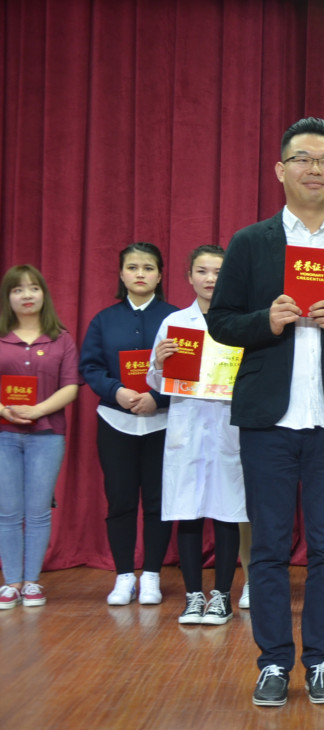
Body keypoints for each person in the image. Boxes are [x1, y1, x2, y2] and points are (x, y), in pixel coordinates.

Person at [208, 117, 324, 707]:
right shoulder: (250, 242)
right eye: (304, 158)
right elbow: (221, 320)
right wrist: (266, 320)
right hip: (269, 418)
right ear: (281, 169)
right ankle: (272, 662)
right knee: (268, 545)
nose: (316, 168)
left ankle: (321, 660)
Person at [147, 245, 246, 627]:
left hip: (227, 426)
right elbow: (155, 381)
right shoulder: (176, 323)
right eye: (202, 271)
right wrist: (159, 363)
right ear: (189, 277)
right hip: (186, 428)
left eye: (218, 272)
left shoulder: (239, 322)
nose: (210, 279)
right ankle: (193, 596)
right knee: (186, 514)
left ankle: (221, 596)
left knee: (226, 513)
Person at [80, 243, 179, 606]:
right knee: (120, 500)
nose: (140, 274)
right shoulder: (103, 320)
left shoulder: (175, 319)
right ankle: (124, 576)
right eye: (133, 267)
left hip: (161, 422)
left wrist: (158, 397)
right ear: (121, 274)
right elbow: (90, 367)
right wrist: (116, 391)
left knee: (157, 501)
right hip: (115, 419)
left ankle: (151, 575)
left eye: (148, 267)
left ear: (160, 274)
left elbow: (188, 371)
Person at [0, 266, 81, 609]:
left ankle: (32, 582)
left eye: (33, 288)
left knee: (37, 512)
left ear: (44, 294)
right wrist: (5, 411)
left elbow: (71, 387)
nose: (27, 295)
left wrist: (37, 410)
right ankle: (11, 583)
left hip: (47, 436)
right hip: (4, 434)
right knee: (7, 512)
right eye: (18, 290)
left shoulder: (61, 338)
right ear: (8, 298)